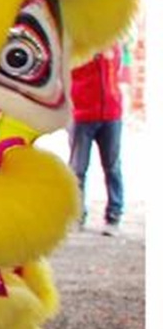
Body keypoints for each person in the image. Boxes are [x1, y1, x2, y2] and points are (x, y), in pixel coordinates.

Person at [69, 45, 126, 236]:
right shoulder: (77, 46)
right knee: (78, 169)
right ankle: (77, 216)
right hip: (81, 115)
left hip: (111, 114)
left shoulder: (114, 44)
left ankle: (114, 215)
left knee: (112, 167)